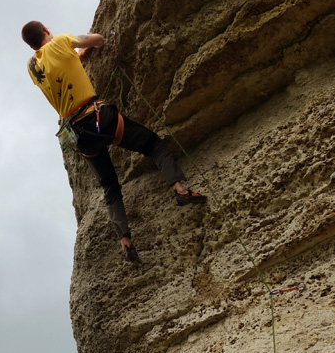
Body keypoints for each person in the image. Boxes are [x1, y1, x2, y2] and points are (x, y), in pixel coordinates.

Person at [22, 22, 205, 261]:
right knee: (153, 144)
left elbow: (61, 70)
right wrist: (95, 42)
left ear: (30, 44)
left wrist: (79, 57)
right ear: (46, 29)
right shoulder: (62, 41)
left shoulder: (33, 66)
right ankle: (180, 189)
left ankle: (126, 243)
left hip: (77, 135)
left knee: (110, 187)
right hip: (97, 117)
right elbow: (96, 39)